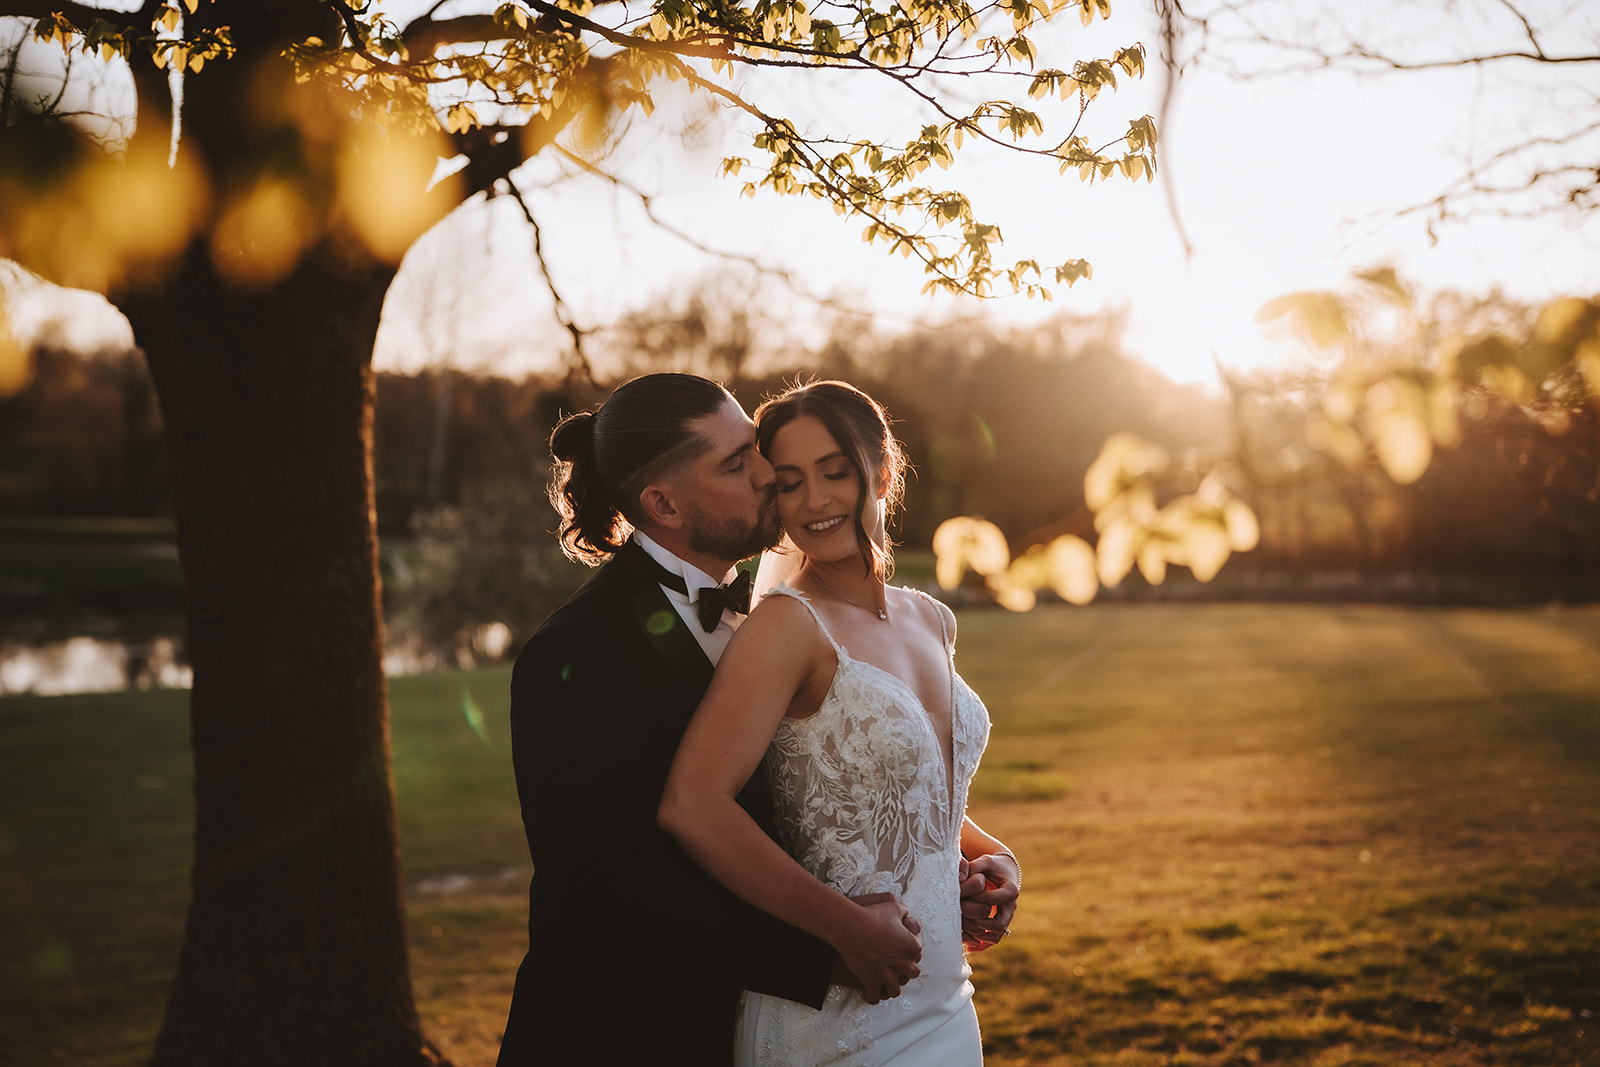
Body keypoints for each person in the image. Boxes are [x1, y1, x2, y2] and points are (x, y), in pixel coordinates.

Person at [496, 373, 924, 1067]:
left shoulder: (772, 614)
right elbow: (608, 890)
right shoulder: (576, 652)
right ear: (662, 503)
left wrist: (935, 868)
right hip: (625, 1034)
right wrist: (831, 943)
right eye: (735, 463)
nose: (768, 472)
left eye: (754, 448)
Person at [659, 380, 1021, 1066]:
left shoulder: (931, 618)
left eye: (835, 471)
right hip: (838, 1011)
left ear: (882, 470)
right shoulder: (785, 626)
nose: (815, 501)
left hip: (946, 1000)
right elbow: (691, 805)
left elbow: (914, 792)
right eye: (790, 483)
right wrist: (845, 929)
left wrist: (990, 856)